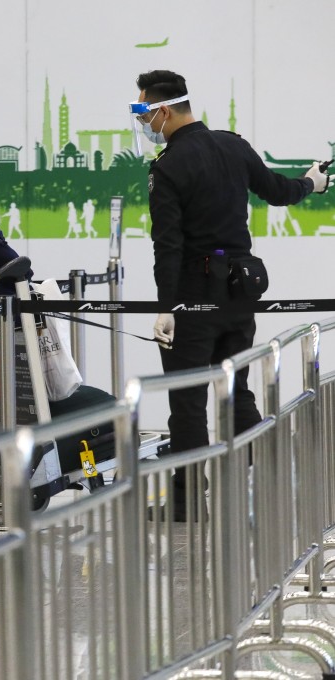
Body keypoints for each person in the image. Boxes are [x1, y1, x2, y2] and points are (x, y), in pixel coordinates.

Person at [134, 70, 328, 520]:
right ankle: (276, 478)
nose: (143, 121)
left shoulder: (168, 167)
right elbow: (278, 191)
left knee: (187, 401)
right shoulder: (233, 145)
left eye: (143, 110)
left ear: (162, 110)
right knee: (237, 387)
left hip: (193, 298)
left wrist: (167, 307)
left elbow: (168, 244)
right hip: (241, 292)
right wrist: (311, 184)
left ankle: (186, 504)